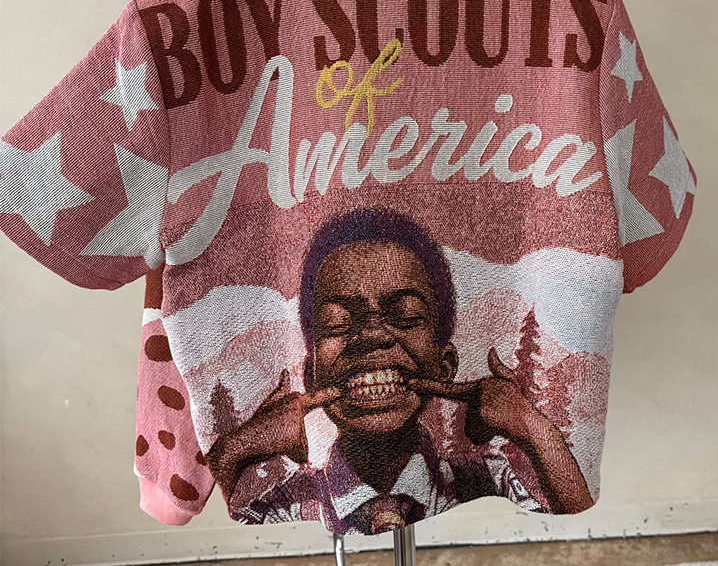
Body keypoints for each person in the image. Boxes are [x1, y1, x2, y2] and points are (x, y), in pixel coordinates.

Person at [205, 207, 593, 534]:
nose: (372, 334)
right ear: (311, 376)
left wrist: (531, 427)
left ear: (445, 367)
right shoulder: (290, 501)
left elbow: (573, 510)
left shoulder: (485, 477)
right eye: (338, 323)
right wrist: (238, 448)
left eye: (405, 316)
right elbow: (239, 516)